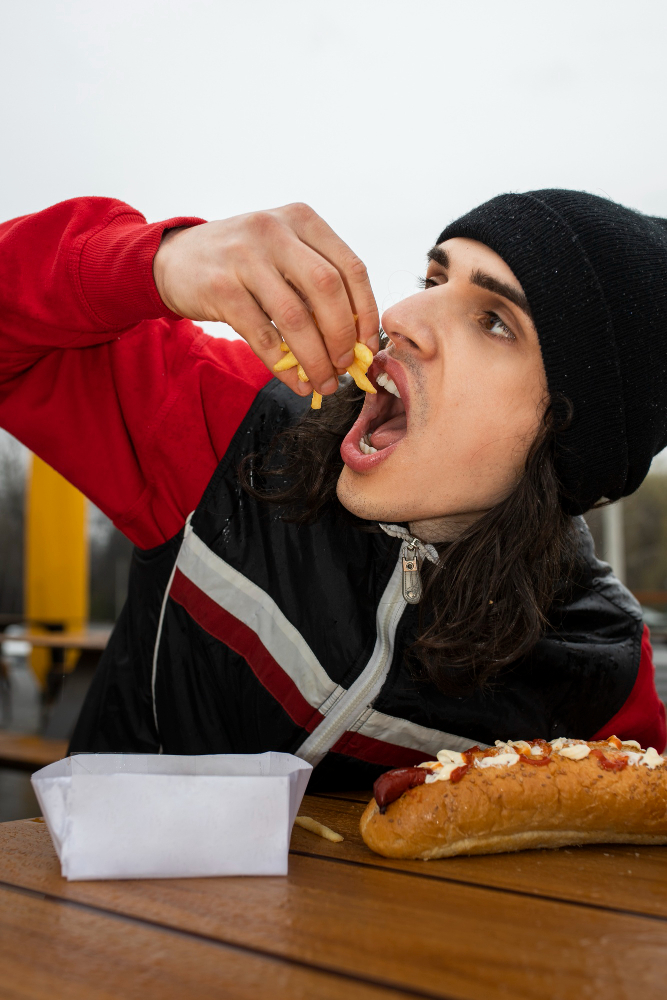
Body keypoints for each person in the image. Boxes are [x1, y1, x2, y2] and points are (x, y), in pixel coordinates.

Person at [0, 191, 664, 790]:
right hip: (99, 914)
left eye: (493, 321)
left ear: (576, 441)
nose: (399, 316)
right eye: (431, 278)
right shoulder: (233, 429)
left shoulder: (600, 665)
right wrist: (154, 264)